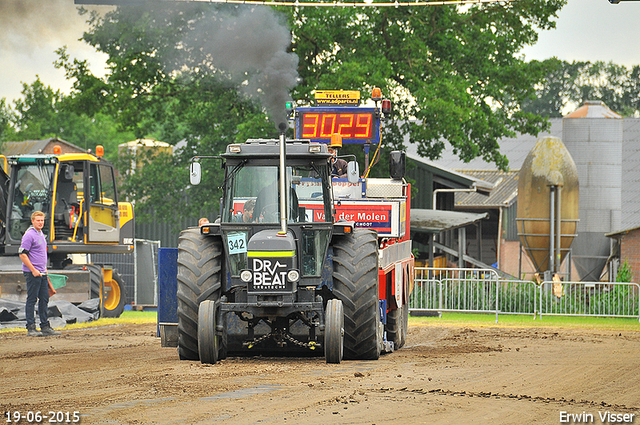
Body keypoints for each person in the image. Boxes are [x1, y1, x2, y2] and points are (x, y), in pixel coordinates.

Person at [19, 211, 60, 337]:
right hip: (33, 273)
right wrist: (33, 270)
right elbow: (22, 254)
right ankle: (31, 327)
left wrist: (44, 269)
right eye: (38, 220)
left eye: (42, 220)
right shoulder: (29, 235)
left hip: (42, 273)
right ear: (32, 221)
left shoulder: (41, 234)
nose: (40, 222)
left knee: (44, 299)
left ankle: (45, 326)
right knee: (32, 299)